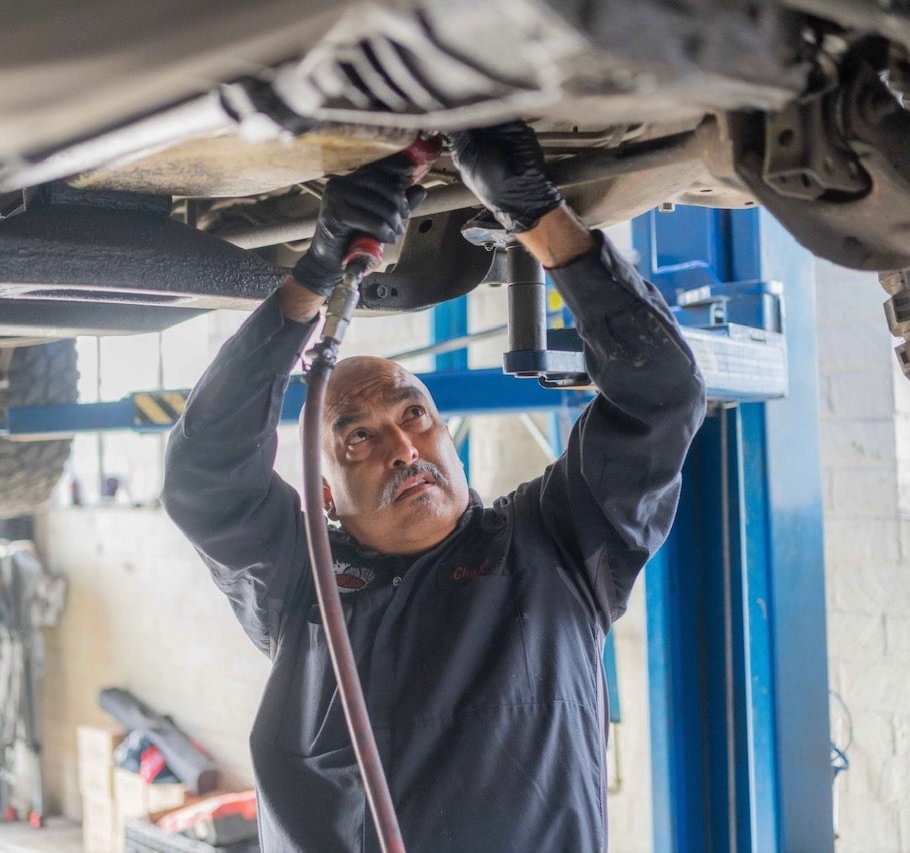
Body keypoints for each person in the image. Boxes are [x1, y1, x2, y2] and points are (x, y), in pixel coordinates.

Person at [163, 122, 706, 852]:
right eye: (358, 436)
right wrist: (313, 275)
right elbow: (204, 472)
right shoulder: (304, 585)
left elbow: (662, 392)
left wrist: (537, 215)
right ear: (324, 495)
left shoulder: (558, 545)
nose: (403, 447)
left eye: (415, 414)